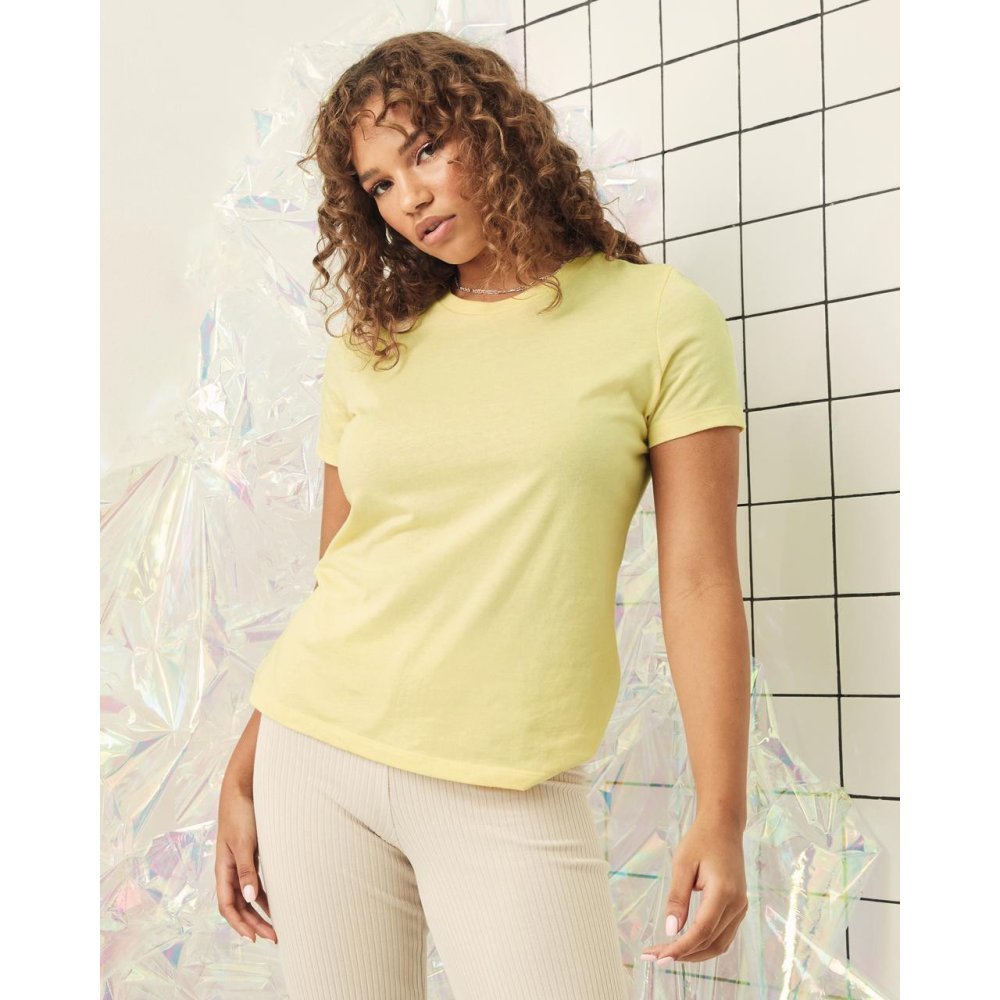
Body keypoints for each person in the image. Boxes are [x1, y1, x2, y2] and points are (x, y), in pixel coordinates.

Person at [214, 29, 750, 1000]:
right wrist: (246, 764)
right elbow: (339, 573)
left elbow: (701, 579)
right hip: (315, 752)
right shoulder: (372, 346)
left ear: (498, 132)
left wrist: (722, 813)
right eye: (379, 183)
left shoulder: (659, 316)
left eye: (425, 150)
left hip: (508, 779)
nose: (409, 197)